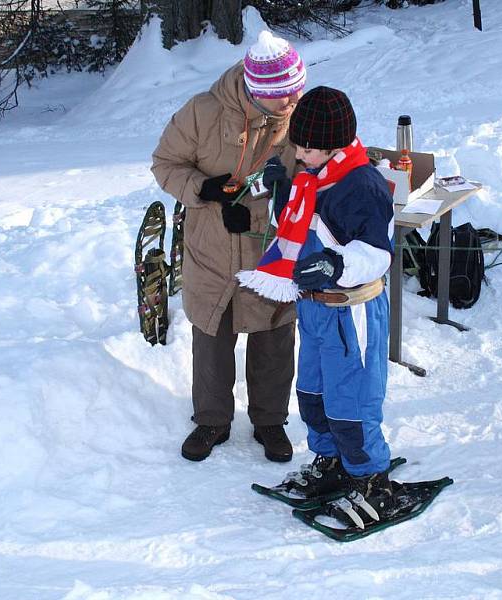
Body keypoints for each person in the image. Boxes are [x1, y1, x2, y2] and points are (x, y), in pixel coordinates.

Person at [237, 86, 397, 525]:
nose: (301, 154)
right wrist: (280, 191)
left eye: (309, 148)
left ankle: (370, 478)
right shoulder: (312, 178)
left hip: (351, 311)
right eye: (298, 145)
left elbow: (378, 253)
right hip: (313, 310)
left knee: (352, 402)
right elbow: (297, 227)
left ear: (336, 144)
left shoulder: (361, 185)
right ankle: (330, 463)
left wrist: (336, 265)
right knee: (313, 395)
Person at [150, 31, 307, 463]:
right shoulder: (202, 113)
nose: (293, 102)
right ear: (258, 91)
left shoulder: (298, 117)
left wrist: (287, 193)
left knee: (274, 334)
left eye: (297, 91)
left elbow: (321, 165)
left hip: (270, 246)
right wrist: (206, 189)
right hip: (212, 243)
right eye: (284, 96)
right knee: (212, 333)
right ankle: (212, 420)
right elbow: (165, 164)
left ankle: (270, 421)